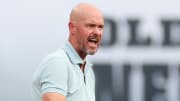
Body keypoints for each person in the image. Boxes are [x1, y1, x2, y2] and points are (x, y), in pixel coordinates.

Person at [32, 2, 104, 101]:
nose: (97, 32)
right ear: (72, 28)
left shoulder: (88, 71)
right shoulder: (58, 62)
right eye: (90, 26)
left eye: (100, 27)